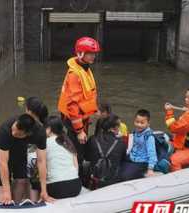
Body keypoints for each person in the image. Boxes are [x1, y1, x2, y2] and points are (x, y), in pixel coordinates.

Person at [58, 36, 101, 175]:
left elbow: (87, 95)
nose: (93, 56)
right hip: (74, 121)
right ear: (81, 53)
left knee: (78, 150)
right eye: (90, 53)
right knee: (77, 153)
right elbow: (72, 105)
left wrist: (94, 110)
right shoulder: (74, 74)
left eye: (94, 53)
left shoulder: (85, 69)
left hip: (82, 119)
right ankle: (76, 178)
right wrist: (79, 131)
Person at [0, 114, 54, 205]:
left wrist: (44, 190)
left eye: (17, 133)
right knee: (3, 183)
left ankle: (17, 205)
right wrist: (7, 192)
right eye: (13, 128)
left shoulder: (39, 133)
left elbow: (41, 161)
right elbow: (3, 163)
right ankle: (3, 204)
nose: (13, 132)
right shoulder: (5, 131)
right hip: (4, 146)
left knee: (21, 178)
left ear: (28, 134)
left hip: (21, 146)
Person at [30, 116, 81, 199]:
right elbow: (76, 167)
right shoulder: (68, 142)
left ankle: (35, 205)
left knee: (34, 181)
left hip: (57, 188)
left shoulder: (44, 142)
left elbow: (41, 167)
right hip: (75, 186)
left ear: (49, 129)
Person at [84, 115, 126, 189]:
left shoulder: (92, 139)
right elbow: (122, 160)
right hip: (112, 182)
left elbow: (87, 157)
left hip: (94, 181)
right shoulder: (121, 142)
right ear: (115, 128)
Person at [119, 109, 158, 181]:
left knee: (124, 176)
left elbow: (152, 153)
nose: (139, 125)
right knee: (116, 167)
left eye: (142, 123)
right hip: (132, 157)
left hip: (142, 161)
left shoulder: (149, 136)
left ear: (148, 124)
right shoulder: (136, 132)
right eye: (137, 122)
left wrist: (150, 169)